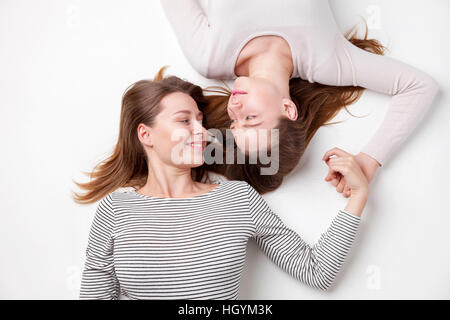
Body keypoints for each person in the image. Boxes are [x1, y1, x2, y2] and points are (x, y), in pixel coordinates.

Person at [74, 71, 369, 299]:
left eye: (201, 122)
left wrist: (358, 196)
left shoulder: (237, 199)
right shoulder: (115, 210)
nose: (202, 132)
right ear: (146, 134)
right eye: (185, 121)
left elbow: (316, 272)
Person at [160, 0, 440, 195]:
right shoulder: (327, 61)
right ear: (288, 109)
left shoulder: (210, 58)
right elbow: (420, 87)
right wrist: (369, 160)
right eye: (252, 119)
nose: (235, 108)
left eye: (234, 124)